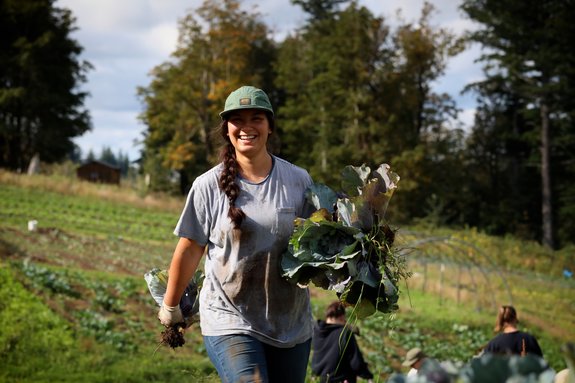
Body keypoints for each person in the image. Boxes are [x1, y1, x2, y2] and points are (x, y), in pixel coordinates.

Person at [157, 85, 315, 383]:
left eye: (256, 118)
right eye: (237, 119)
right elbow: (190, 248)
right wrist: (170, 305)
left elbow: (317, 246)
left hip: (289, 321)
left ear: (270, 127)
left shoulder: (298, 180)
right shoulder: (207, 186)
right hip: (229, 316)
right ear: (227, 129)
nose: (247, 127)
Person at [311, 301, 374, 383]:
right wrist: (367, 375)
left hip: (323, 379)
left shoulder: (317, 331)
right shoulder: (344, 333)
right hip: (342, 379)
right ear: (342, 316)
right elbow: (355, 361)